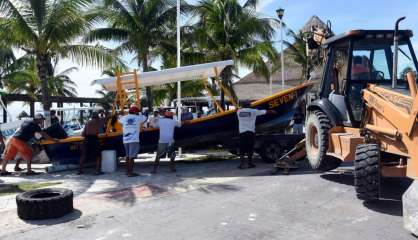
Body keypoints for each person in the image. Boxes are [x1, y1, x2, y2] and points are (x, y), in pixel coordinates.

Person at [236, 101, 276, 169]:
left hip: (242, 132)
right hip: (251, 132)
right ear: (249, 105)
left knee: (242, 149)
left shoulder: (239, 112)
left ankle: (242, 164)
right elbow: (265, 112)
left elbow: (238, 110)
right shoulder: (254, 111)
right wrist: (273, 111)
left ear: (242, 106)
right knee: (250, 148)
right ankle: (250, 164)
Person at [120, 106, 148, 177]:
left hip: (125, 139)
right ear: (135, 112)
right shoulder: (138, 117)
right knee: (131, 157)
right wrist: (140, 114)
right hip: (134, 139)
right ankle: (130, 173)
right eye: (137, 111)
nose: (138, 112)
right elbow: (145, 118)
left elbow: (119, 121)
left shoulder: (124, 118)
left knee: (127, 156)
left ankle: (127, 172)